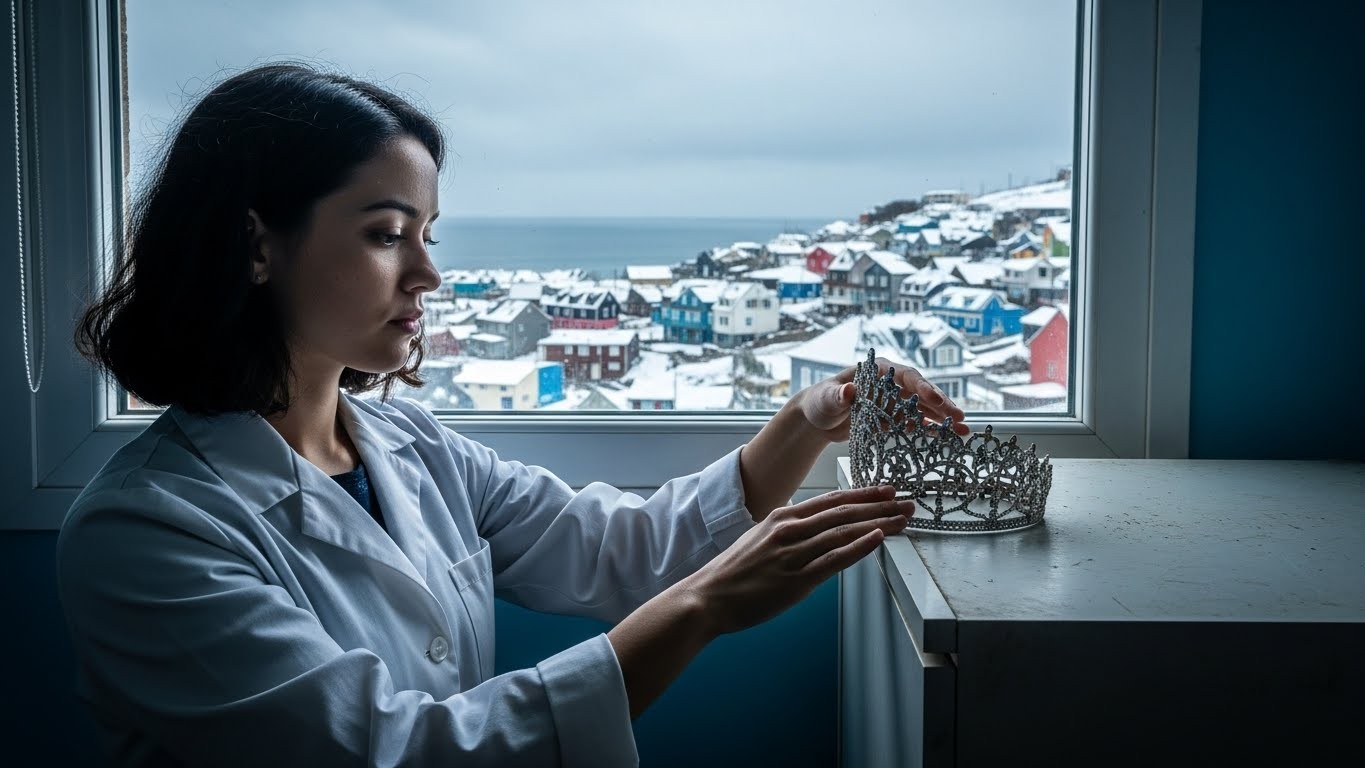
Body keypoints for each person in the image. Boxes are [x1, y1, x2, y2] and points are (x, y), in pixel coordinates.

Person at [58, 63, 970, 767]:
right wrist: (703, 606)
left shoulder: (407, 447)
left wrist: (808, 418)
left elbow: (619, 546)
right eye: (385, 235)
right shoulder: (146, 532)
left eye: (427, 235)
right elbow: (400, 753)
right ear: (256, 243)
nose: (428, 276)